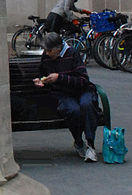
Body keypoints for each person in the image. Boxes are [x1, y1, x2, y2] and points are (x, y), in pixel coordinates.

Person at [34, 31, 98, 160]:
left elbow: (82, 80)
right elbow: (41, 72)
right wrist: (40, 81)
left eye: (49, 50)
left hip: (81, 90)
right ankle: (79, 141)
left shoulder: (72, 53)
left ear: (58, 49)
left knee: (87, 105)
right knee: (72, 110)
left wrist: (59, 78)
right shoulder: (46, 57)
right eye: (45, 50)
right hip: (63, 93)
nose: (46, 53)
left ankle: (91, 145)